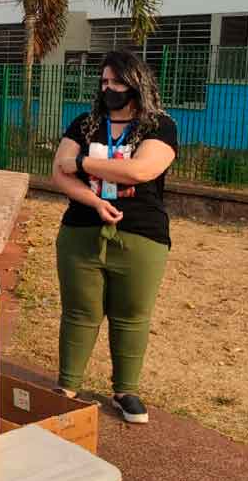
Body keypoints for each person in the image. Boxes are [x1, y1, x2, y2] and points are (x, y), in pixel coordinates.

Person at [52, 49, 177, 424]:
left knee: (131, 315)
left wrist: (83, 164)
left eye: (117, 81)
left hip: (141, 234)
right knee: (79, 312)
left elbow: (141, 171)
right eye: (104, 81)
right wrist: (93, 200)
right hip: (82, 230)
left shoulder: (158, 125)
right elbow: (58, 173)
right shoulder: (85, 124)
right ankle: (67, 386)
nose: (109, 88)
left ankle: (125, 391)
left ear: (136, 83)